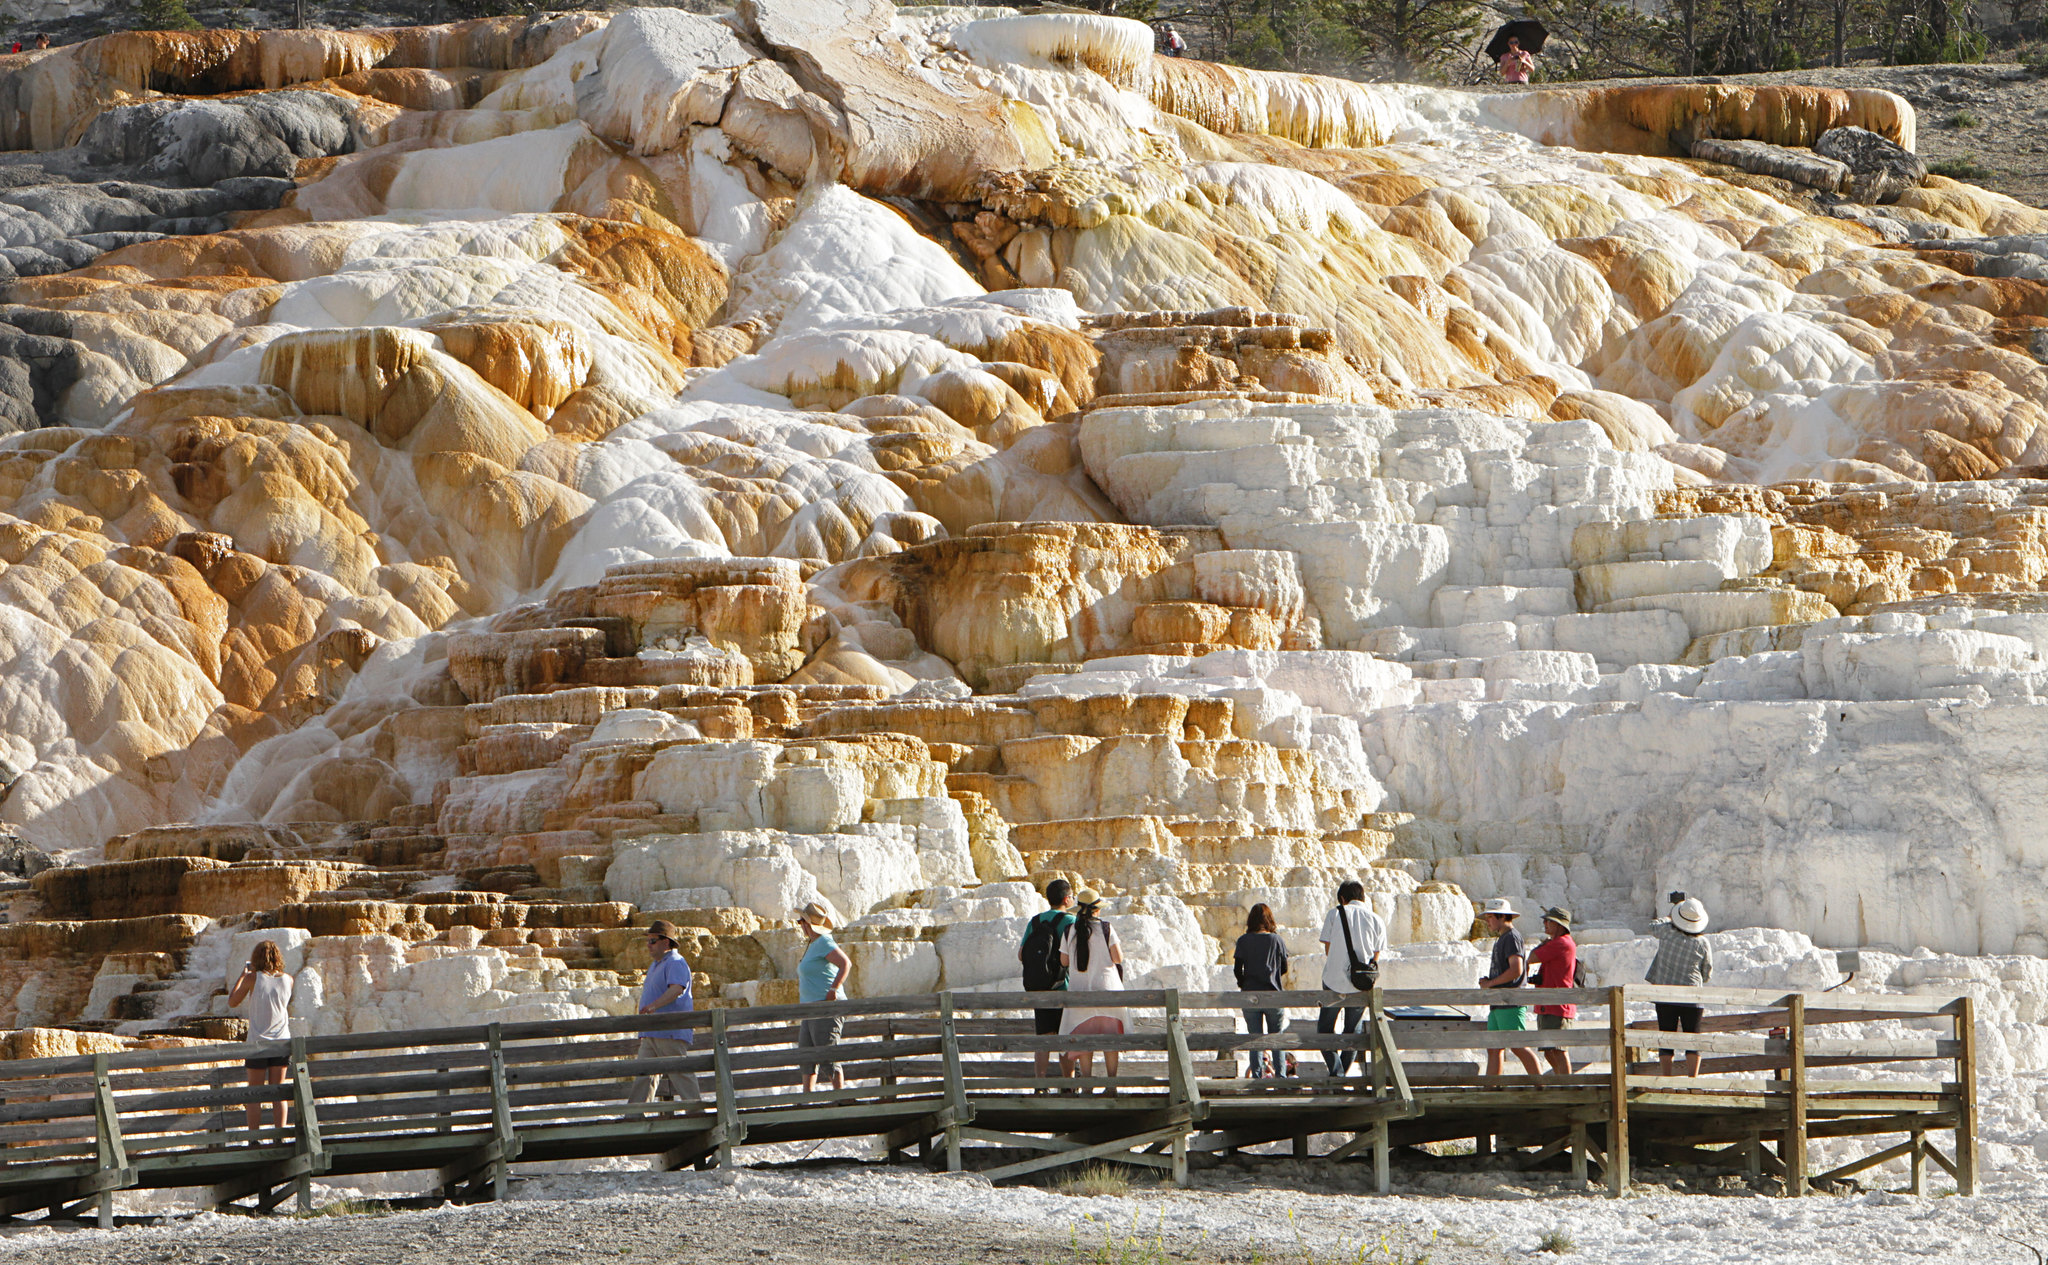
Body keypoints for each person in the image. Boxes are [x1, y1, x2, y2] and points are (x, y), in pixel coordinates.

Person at [1316, 879, 1386, 1076]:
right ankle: (1341, 1075)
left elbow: (1328, 949)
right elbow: (1375, 957)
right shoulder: (1376, 919)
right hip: (1361, 983)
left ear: (1342, 898)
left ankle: (1336, 1072)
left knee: (1324, 1030)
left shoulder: (1334, 914)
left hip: (1333, 980)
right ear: (1363, 898)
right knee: (1352, 1032)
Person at [1058, 888, 1126, 1091]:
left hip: (1080, 992)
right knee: (1110, 1038)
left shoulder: (1070, 930)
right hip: (1107, 990)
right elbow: (1118, 958)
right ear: (1097, 910)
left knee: (1084, 1039)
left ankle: (1087, 1085)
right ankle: (1111, 1084)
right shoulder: (1106, 928)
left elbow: (1064, 960)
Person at [629, 920, 700, 1107]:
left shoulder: (676, 962)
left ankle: (695, 1111)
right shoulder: (656, 964)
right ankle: (635, 1116)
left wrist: (653, 1006)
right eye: (648, 941)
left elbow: (676, 988)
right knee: (644, 1074)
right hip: (651, 1030)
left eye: (653, 941)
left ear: (666, 942)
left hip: (669, 1029)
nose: (648, 945)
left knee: (680, 1072)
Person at [227, 940, 292, 1136]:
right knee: (277, 1092)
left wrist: (242, 976)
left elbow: (232, 1002)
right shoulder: (289, 979)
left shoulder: (252, 979)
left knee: (254, 1094)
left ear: (256, 959)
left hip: (257, 1043)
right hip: (281, 1042)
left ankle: (254, 1138)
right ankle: (279, 1136)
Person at [1646, 895, 1714, 1077]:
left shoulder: (1667, 931)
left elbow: (1652, 926)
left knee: (1666, 1037)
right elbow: (1707, 973)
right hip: (1692, 996)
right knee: (1693, 1037)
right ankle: (1693, 1079)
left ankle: (1667, 1078)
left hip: (1665, 995)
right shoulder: (1702, 943)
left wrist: (1670, 916)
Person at [1018, 878, 1076, 1086]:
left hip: (1039, 988)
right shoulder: (1070, 922)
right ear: (1067, 899)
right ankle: (1068, 1086)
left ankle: (1040, 1086)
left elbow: (1021, 954)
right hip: (1062, 987)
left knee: (1043, 1038)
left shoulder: (1035, 921)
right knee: (1065, 1037)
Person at [1479, 898, 1542, 1076]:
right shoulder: (1503, 939)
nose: (1487, 922)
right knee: (1494, 1047)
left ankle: (1541, 1086)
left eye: (1489, 917)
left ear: (1501, 917)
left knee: (1517, 1045)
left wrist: (1491, 983)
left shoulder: (1512, 938)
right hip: (1499, 1002)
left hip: (1510, 1001)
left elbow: (1516, 970)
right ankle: (1492, 1089)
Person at [795, 900, 851, 1093]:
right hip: (810, 1008)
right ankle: (806, 1099)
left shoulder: (824, 942)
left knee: (827, 1052)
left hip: (825, 1007)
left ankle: (840, 1097)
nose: (799, 925)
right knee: (807, 1054)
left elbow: (846, 963)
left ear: (806, 923)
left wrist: (834, 989)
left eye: (800, 921)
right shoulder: (812, 944)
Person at [1233, 903, 1289, 1078]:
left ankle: (1256, 1079)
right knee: (1276, 1038)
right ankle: (1281, 1077)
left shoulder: (1243, 940)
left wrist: (1244, 983)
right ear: (1269, 919)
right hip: (1273, 995)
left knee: (1254, 1038)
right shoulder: (1277, 940)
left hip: (1251, 996)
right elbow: (1284, 968)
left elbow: (1237, 969)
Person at [1526, 906, 1578, 1076]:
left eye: (1548, 921)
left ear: (1558, 925)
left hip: (1557, 1006)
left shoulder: (1561, 943)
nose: (1544, 924)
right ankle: (1561, 1083)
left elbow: (1532, 957)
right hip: (1549, 1005)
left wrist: (1544, 944)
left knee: (1557, 1049)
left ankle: (1566, 1087)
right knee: (1550, 1050)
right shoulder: (1560, 943)